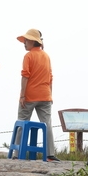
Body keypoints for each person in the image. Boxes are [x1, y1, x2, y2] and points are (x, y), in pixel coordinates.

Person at [14, 29, 60, 162]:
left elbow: (25, 76)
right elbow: (50, 77)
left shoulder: (28, 56)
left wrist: (22, 95)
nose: (24, 43)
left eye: (26, 40)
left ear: (33, 41)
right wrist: (50, 95)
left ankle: (17, 154)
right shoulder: (46, 56)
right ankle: (50, 154)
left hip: (29, 96)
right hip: (45, 96)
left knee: (22, 122)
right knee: (47, 124)